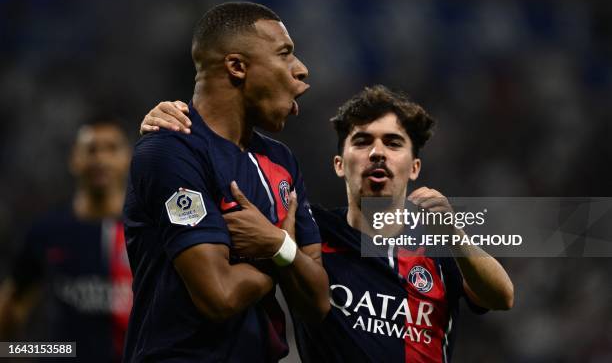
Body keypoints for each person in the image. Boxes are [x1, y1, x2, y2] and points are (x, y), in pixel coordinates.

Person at [142, 85, 514, 362]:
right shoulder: (311, 230)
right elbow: (218, 192)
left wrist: (453, 232)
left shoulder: (439, 242)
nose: (378, 152)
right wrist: (176, 128)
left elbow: (502, 297)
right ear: (339, 164)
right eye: (363, 141)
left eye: (394, 143)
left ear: (414, 167)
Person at [122, 1, 329, 362]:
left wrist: (277, 244)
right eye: (285, 54)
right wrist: (282, 254)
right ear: (236, 66)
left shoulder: (281, 161)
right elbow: (218, 296)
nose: (302, 70)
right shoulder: (170, 151)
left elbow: (317, 302)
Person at [0, 117, 133, 363]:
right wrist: (29, 354)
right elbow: (11, 309)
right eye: (91, 149)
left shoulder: (148, 230)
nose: (101, 159)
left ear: (127, 159)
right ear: (75, 159)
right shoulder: (47, 231)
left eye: (111, 149)